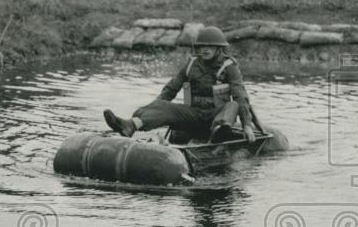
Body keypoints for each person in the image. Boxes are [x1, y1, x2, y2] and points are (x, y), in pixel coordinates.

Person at [102, 26, 257, 144]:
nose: (205, 49)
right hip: (194, 115)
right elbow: (171, 89)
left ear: (219, 48)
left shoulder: (229, 66)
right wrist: (154, 111)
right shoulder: (191, 64)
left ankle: (219, 133)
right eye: (202, 46)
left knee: (233, 104)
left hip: (216, 117)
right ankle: (130, 125)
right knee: (163, 104)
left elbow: (240, 95)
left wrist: (247, 126)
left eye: (210, 46)